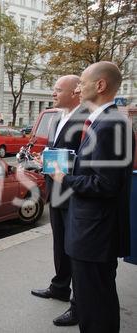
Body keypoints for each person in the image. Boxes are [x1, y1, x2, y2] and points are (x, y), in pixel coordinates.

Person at [51, 61, 134, 332]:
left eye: (82, 82)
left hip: (94, 233)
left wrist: (65, 178)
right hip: (92, 230)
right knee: (96, 301)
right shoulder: (105, 121)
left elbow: (105, 184)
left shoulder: (110, 125)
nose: (78, 87)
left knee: (95, 306)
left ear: (100, 85)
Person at [30, 75, 88, 327]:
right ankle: (60, 286)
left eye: (57, 89)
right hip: (56, 190)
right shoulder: (57, 117)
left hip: (74, 194)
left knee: (75, 249)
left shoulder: (85, 119)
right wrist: (46, 160)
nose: (53, 93)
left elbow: (85, 160)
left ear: (75, 92)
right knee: (60, 244)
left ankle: (79, 304)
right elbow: (58, 152)